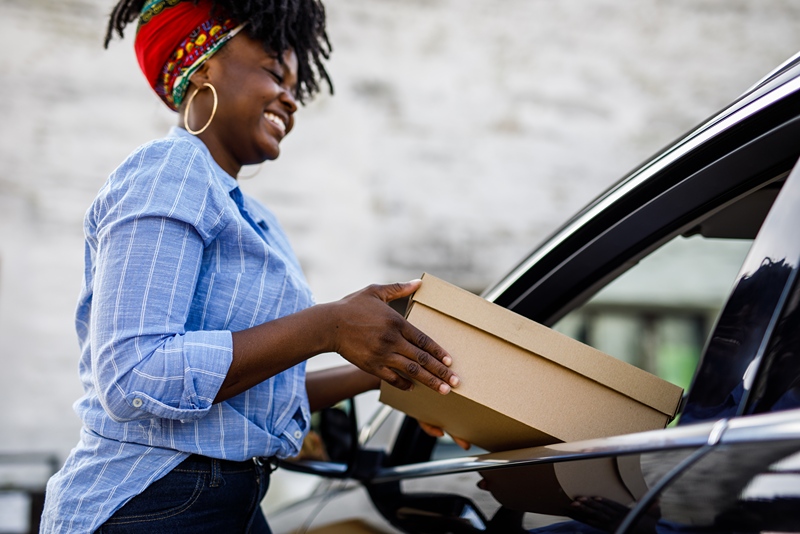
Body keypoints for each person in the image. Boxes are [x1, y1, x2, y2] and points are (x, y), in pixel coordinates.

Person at [40, 0, 461, 531]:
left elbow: (249, 395)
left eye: (295, 85)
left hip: (231, 498)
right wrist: (329, 324)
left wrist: (380, 367)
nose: (290, 98)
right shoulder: (169, 169)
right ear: (204, 66)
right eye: (273, 73)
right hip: (150, 500)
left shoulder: (253, 216)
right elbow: (133, 373)